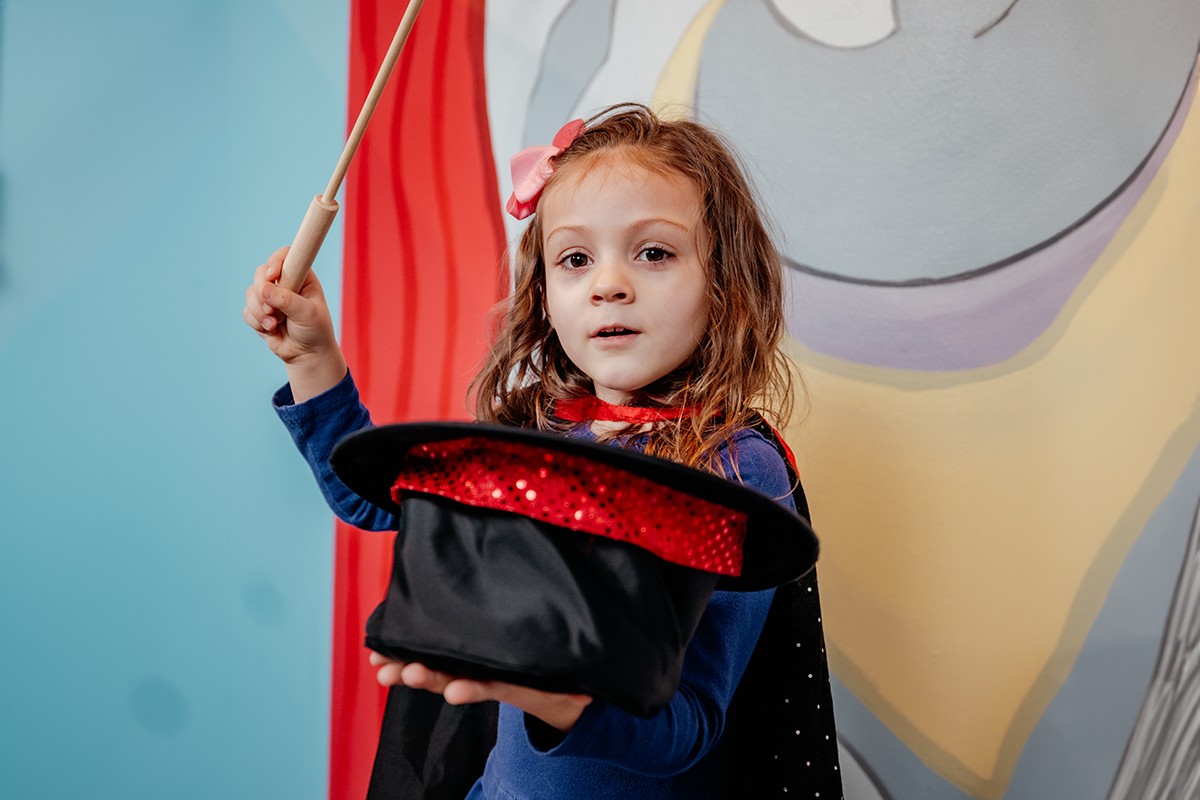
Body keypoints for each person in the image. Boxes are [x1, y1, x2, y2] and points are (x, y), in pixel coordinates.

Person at [243, 104, 833, 798]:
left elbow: (690, 725)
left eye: (654, 252)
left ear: (725, 281)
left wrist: (554, 695)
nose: (609, 283)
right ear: (546, 297)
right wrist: (312, 356)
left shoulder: (734, 470)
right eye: (576, 258)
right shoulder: (538, 446)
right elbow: (377, 500)